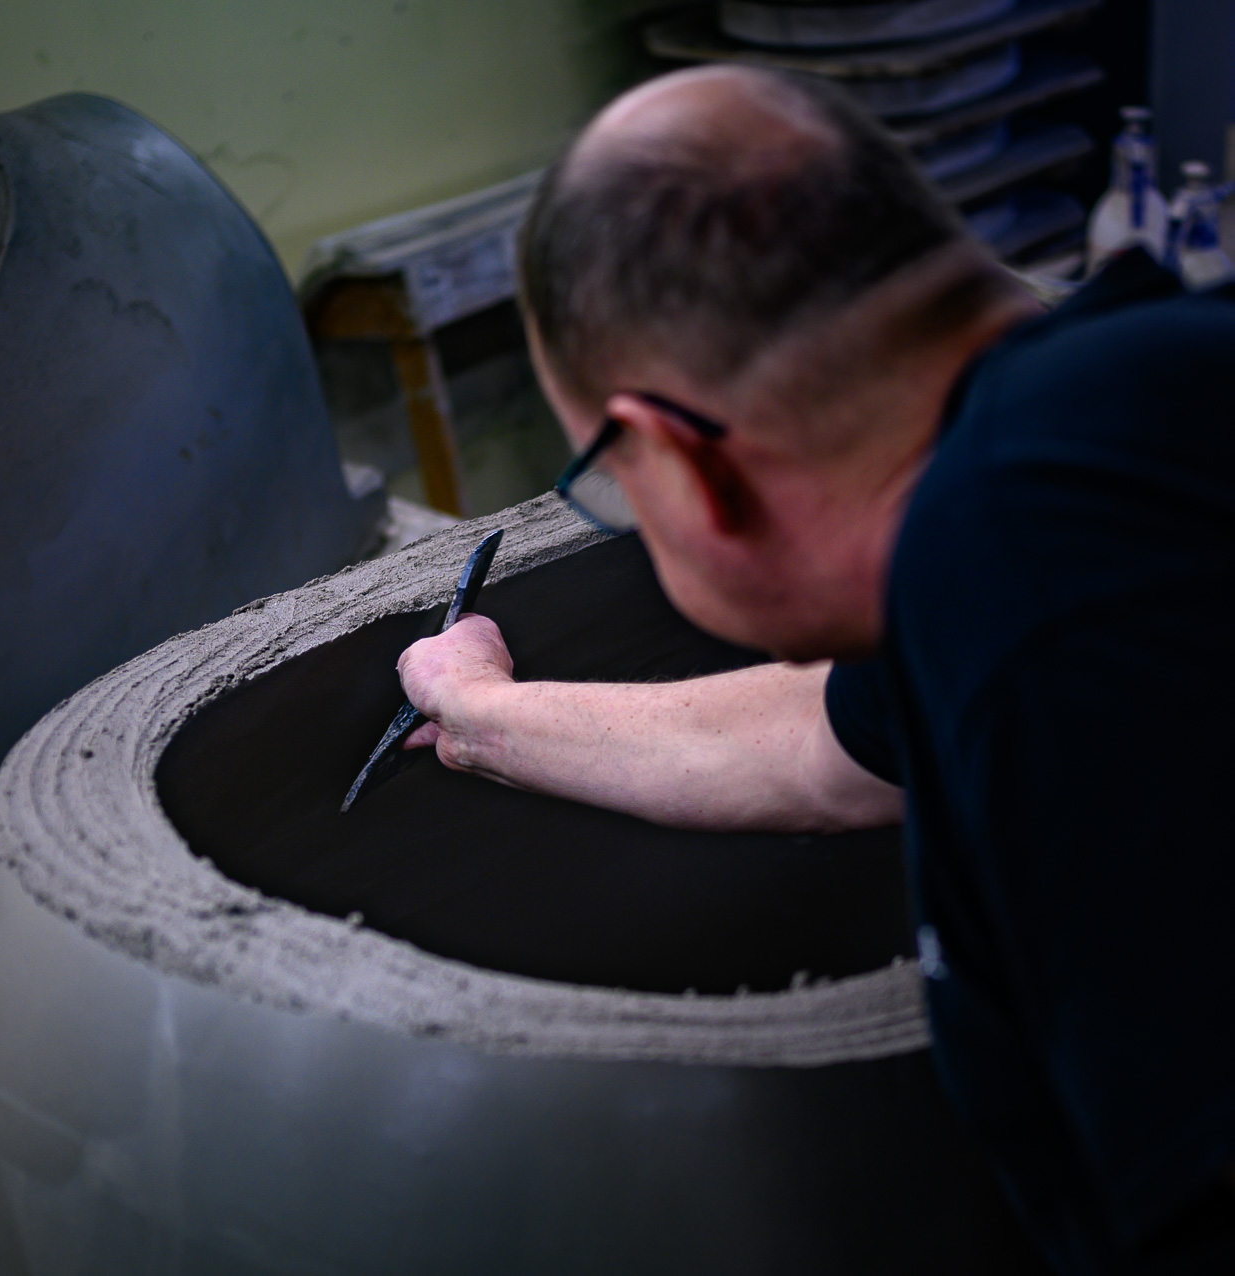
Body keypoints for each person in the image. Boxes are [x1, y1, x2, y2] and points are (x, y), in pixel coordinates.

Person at [394, 65, 1235, 1273]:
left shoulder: (1034, 565)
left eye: (613, 484)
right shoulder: (1102, 429)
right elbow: (811, 744)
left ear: (681, 462)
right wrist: (481, 713)